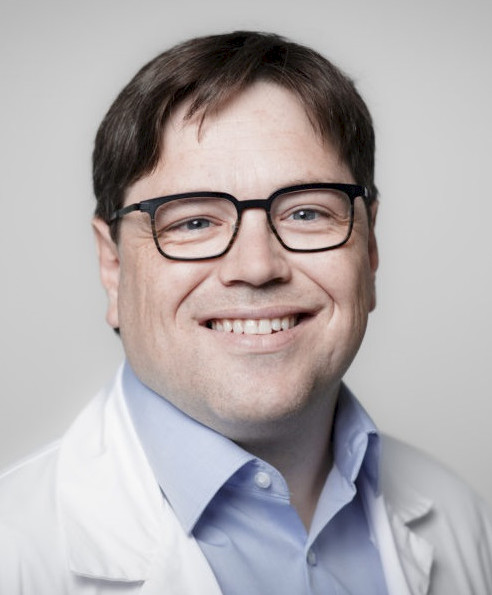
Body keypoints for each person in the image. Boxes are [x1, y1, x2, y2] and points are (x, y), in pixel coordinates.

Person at [0, 30, 491, 595]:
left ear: (370, 247)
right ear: (113, 266)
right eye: (193, 221)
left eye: (307, 213)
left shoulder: (463, 519)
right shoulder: (17, 554)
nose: (257, 266)